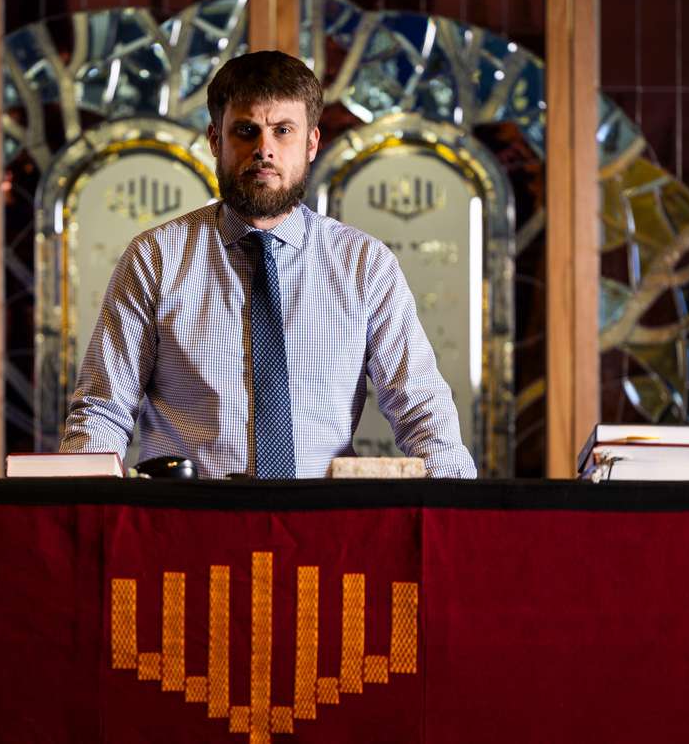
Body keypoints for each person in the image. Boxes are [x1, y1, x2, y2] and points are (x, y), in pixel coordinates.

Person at [59, 50, 477, 480]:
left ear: (311, 143)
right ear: (215, 141)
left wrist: (459, 521)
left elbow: (422, 409)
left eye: (283, 131)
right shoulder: (155, 257)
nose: (264, 150)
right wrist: (79, 517)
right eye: (246, 131)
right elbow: (103, 411)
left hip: (323, 527)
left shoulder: (364, 265)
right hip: (188, 524)